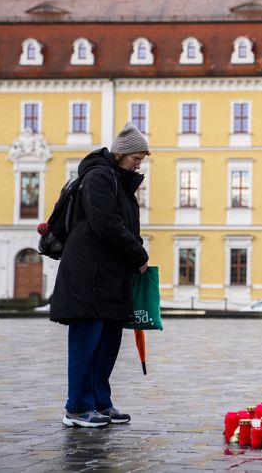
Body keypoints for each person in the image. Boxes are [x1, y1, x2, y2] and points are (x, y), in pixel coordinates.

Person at [50, 122, 150, 428]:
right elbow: (105, 224)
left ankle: (100, 403)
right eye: (136, 156)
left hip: (108, 276)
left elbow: (124, 227)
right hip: (87, 276)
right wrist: (138, 254)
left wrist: (134, 250)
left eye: (142, 158)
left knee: (107, 343)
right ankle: (77, 408)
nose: (139, 162)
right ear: (120, 153)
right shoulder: (99, 176)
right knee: (86, 343)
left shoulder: (119, 181)